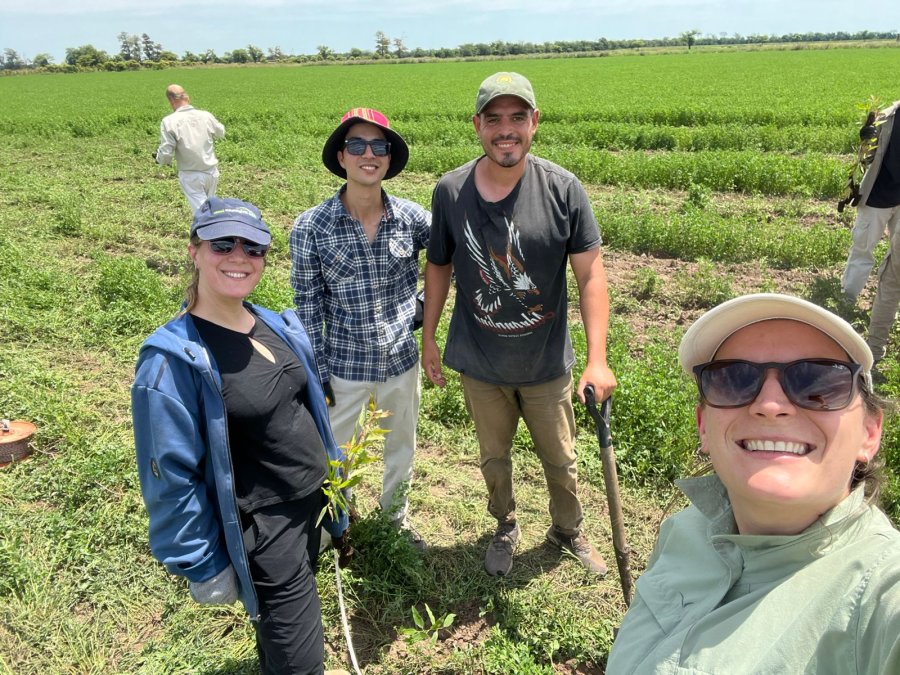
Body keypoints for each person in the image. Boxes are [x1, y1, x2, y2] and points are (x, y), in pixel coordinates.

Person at [607, 293, 900, 675]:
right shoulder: (684, 530)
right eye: (734, 379)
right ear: (704, 428)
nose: (770, 403)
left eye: (818, 381)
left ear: (869, 432)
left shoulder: (880, 592)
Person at [132, 197, 350, 675]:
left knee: (281, 638)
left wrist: (336, 494)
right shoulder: (172, 360)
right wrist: (202, 562)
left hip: (312, 503)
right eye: (222, 244)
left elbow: (307, 409)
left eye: (253, 248)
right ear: (194, 251)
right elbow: (170, 476)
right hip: (267, 529)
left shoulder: (272, 322)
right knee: (302, 663)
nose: (239, 257)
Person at [421, 72, 617, 577]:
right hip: (480, 362)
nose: (505, 130)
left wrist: (598, 359)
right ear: (477, 126)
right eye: (493, 119)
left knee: (561, 458)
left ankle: (567, 529)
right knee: (494, 458)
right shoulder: (450, 191)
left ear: (534, 122)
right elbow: (439, 265)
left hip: (546, 363)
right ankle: (505, 525)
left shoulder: (562, 189)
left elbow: (591, 275)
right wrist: (429, 337)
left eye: (516, 118)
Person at [290, 108, 431, 547]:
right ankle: (337, 527)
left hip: (401, 361)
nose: (368, 154)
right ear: (342, 157)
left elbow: (453, 260)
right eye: (357, 146)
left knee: (400, 449)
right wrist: (318, 373)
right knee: (335, 454)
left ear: (389, 160)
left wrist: (425, 306)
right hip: (344, 366)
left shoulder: (413, 218)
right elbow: (308, 307)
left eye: (378, 147)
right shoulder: (311, 226)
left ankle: (395, 524)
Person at [841, 100, 900, 300]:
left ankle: (887, 303)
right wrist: (865, 140)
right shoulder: (885, 117)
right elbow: (867, 158)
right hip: (878, 197)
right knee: (863, 250)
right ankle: (847, 299)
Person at [155, 84, 226, 214]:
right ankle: (216, 230)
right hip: (212, 173)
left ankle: (215, 232)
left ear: (171, 101)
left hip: (191, 175)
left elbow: (166, 153)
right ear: (187, 97)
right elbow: (221, 132)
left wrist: (159, 159)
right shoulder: (206, 115)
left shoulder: (169, 121)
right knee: (210, 208)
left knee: (203, 214)